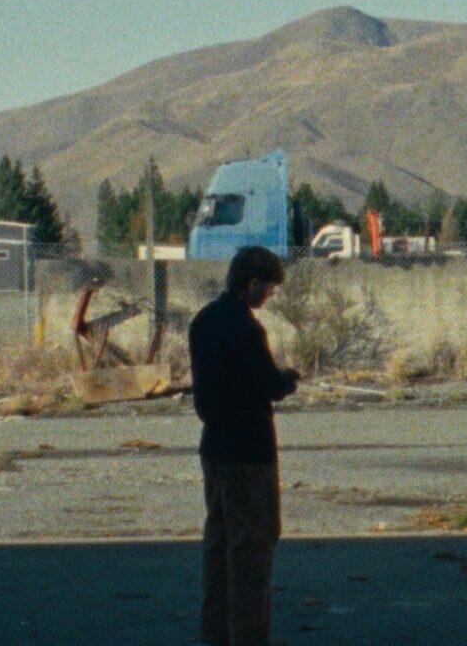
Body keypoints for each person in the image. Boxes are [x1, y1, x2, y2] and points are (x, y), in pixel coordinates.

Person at [190, 246, 300, 646]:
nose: (269, 295)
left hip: (214, 447)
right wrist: (287, 379)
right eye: (269, 288)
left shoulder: (203, 321)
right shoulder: (246, 328)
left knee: (217, 549)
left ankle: (214, 636)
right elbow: (269, 384)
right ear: (253, 284)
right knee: (251, 554)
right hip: (249, 454)